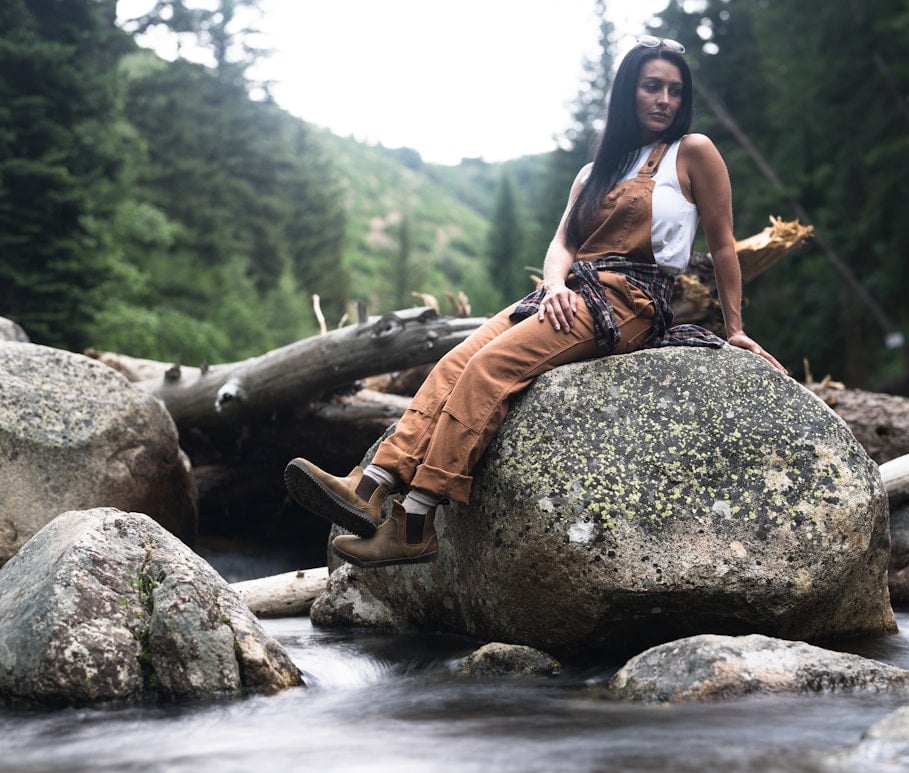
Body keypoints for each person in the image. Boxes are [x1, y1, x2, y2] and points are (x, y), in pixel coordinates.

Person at [284, 35, 785, 568]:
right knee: (455, 361)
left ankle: (415, 522)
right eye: (651, 87)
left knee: (489, 368)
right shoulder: (596, 172)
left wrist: (734, 327)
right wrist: (554, 286)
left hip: (632, 302)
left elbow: (723, 242)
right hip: (573, 291)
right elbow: (563, 244)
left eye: (674, 91)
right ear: (627, 93)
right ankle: (369, 485)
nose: (665, 99)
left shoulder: (694, 152)